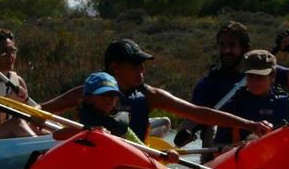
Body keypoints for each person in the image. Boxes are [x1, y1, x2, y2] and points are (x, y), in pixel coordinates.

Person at [41, 38, 274, 142]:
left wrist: (249, 124)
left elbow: (199, 113)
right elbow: (41, 113)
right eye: (135, 64)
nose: (142, 69)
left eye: (142, 63)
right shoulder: (86, 92)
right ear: (115, 67)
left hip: (135, 158)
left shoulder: (149, 96)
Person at [173, 20, 289, 147]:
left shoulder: (268, 71)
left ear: (245, 47)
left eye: (232, 45)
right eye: (222, 45)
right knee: (213, 128)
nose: (226, 50)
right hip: (221, 152)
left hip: (271, 149)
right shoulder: (209, 85)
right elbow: (192, 119)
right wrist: (184, 136)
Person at [213, 50, 289, 146]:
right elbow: (218, 147)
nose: (255, 81)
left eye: (260, 76)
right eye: (250, 76)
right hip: (246, 158)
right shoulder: (233, 106)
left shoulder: (288, 105)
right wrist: (242, 147)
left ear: (272, 76)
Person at [78, 72, 143, 143]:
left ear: (117, 99)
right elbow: (64, 133)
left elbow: (143, 148)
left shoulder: (121, 124)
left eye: (112, 95)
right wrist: (89, 130)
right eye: (104, 94)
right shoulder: (80, 121)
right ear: (88, 98)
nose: (109, 98)